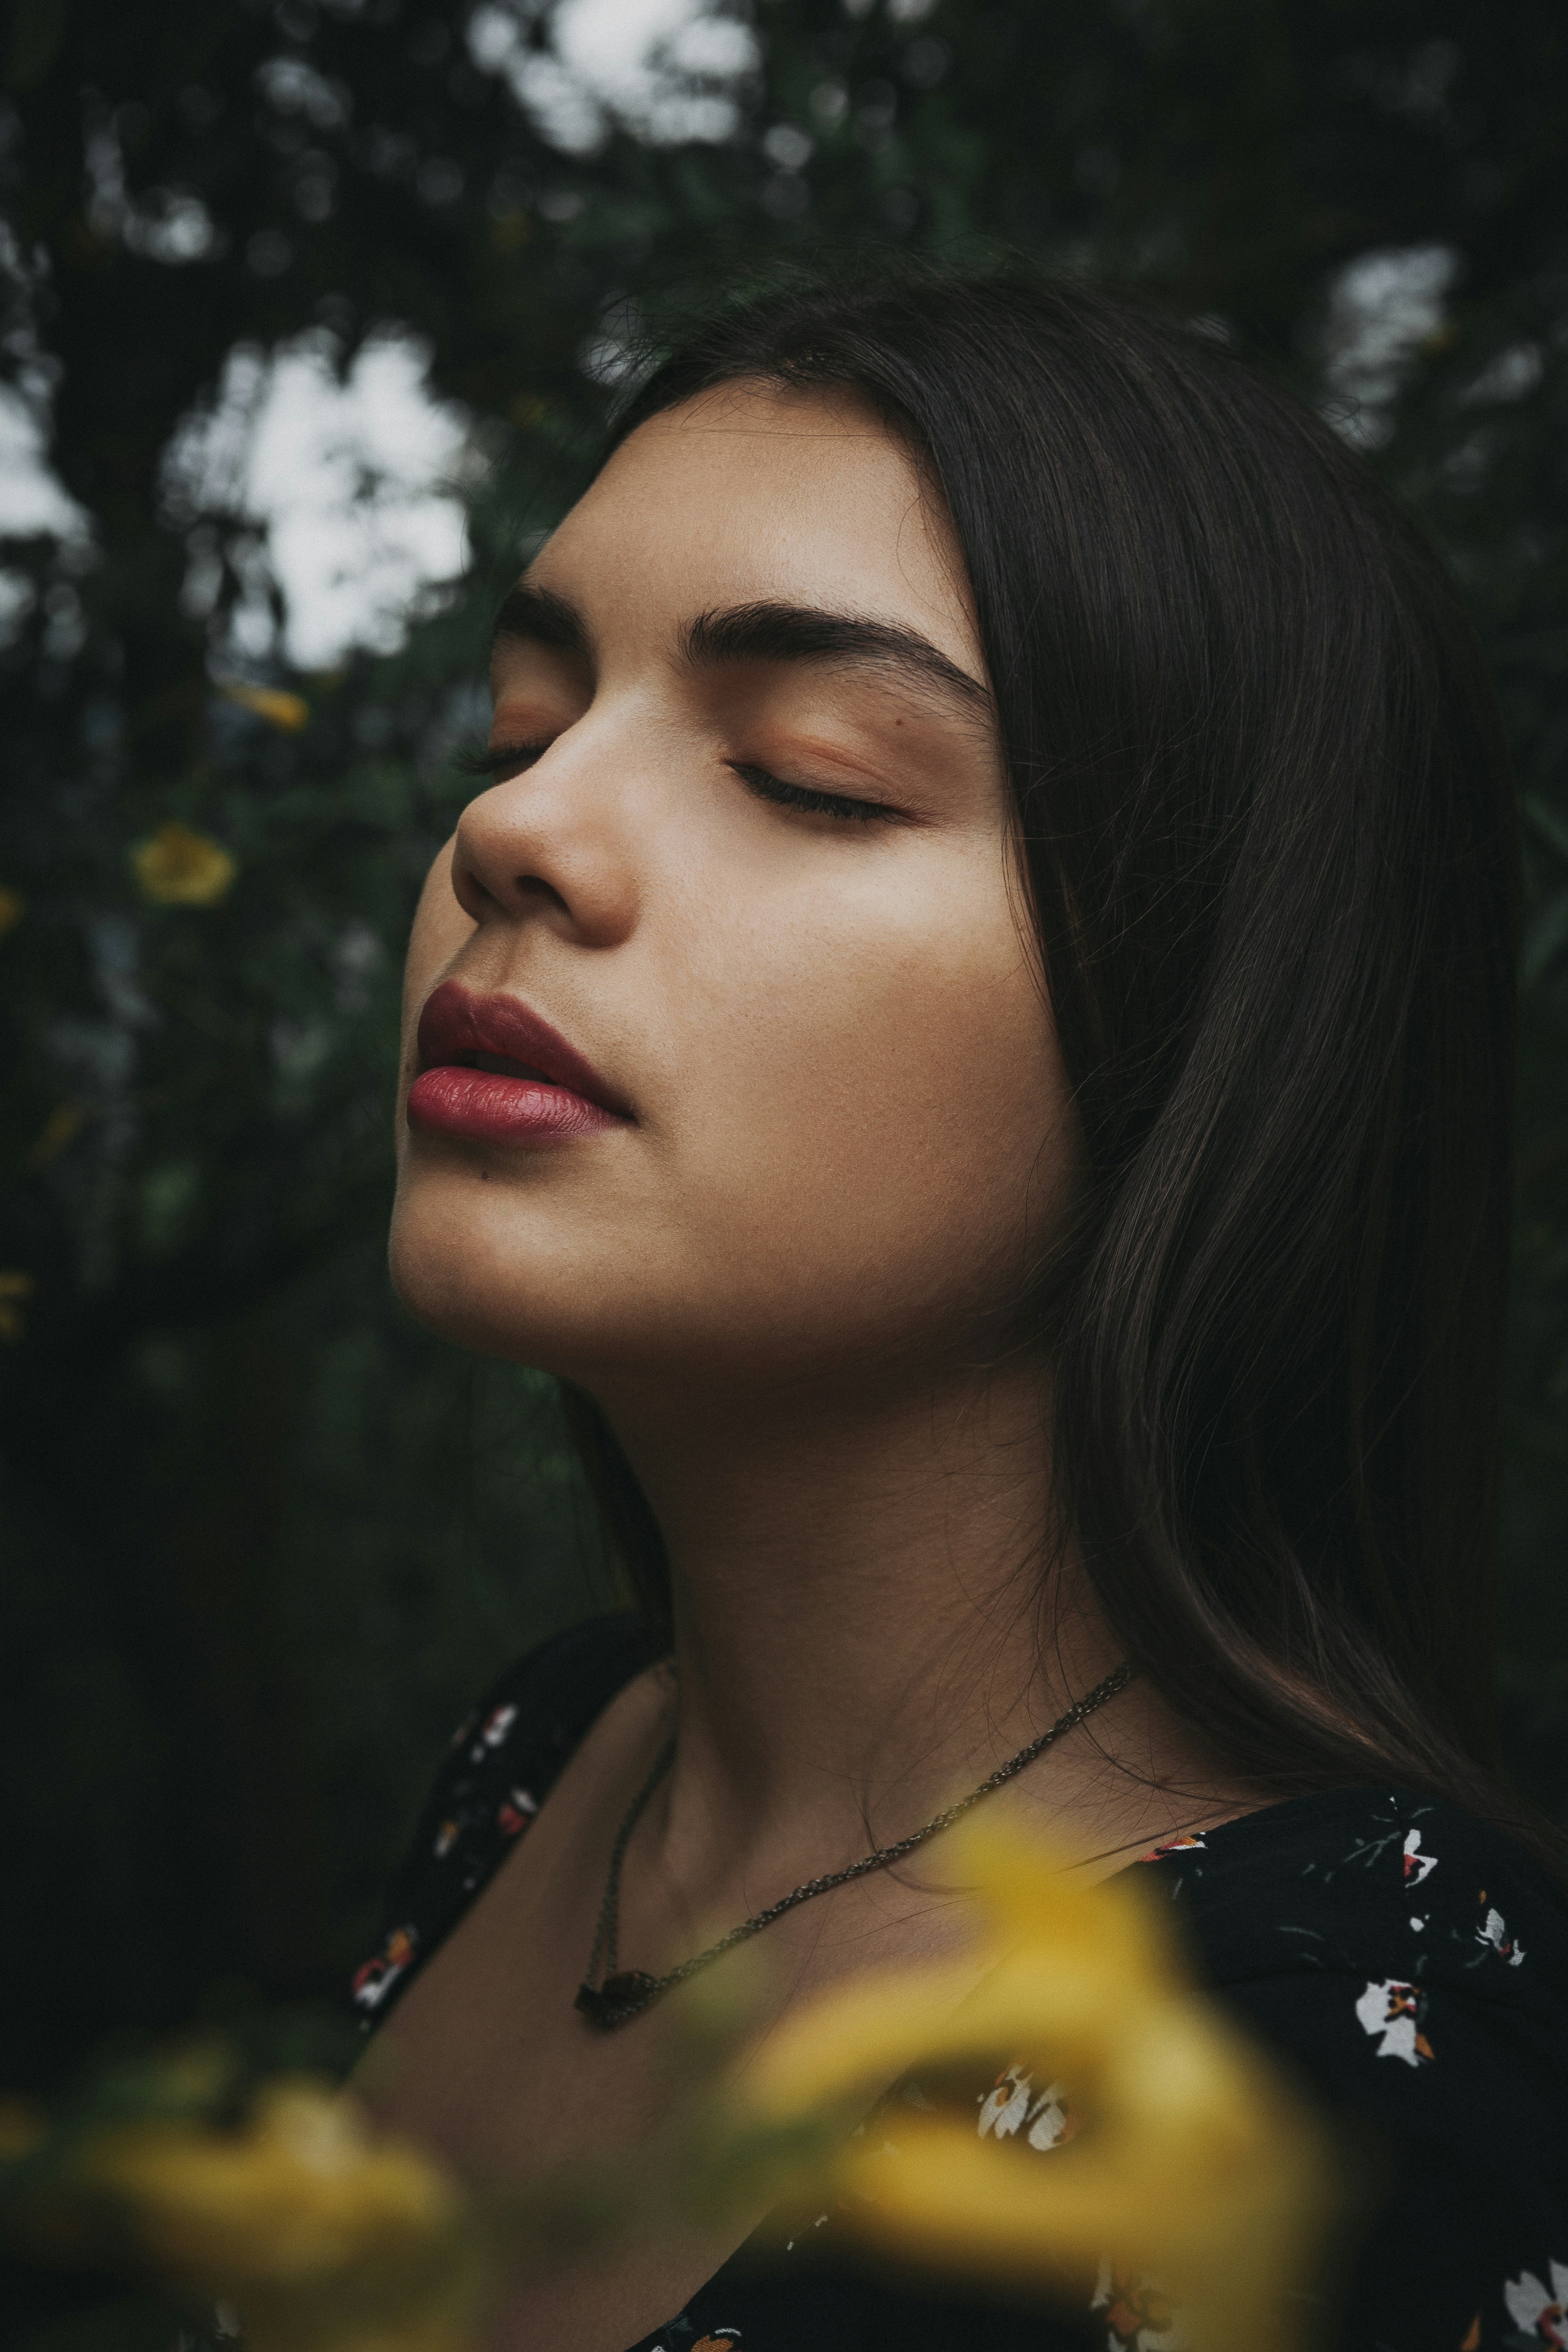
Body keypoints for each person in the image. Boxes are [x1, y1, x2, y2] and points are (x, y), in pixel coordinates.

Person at [352, 271, 1568, 2352]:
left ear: (1213, 1023)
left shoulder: (1334, 2094)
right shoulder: (551, 1765)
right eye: (528, 725)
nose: (513, 827)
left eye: (812, 775)